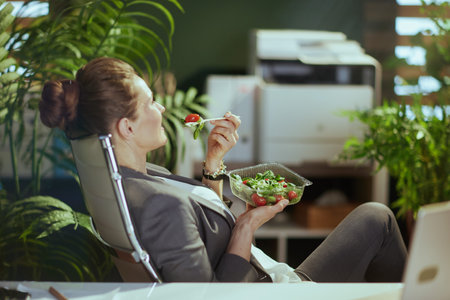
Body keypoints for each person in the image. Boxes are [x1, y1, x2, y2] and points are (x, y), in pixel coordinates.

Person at [39, 57, 407, 283]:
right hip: (261, 290)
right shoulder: (156, 207)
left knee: (375, 220)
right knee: (378, 217)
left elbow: (200, 227)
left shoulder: (133, 179)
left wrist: (213, 164)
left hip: (265, 273)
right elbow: (212, 296)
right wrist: (247, 225)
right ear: (127, 128)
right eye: (151, 101)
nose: (162, 109)